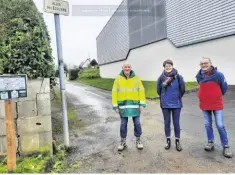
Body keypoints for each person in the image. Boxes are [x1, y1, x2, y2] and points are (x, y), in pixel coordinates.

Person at [196, 57, 233, 158]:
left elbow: (224, 87)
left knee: (220, 125)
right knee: (208, 124)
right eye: (201, 63)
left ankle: (225, 146)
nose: (203, 65)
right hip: (204, 104)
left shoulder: (218, 75)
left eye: (205, 63)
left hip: (217, 104)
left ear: (210, 63)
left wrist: (216, 96)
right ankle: (210, 142)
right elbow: (201, 87)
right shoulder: (199, 76)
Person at [112, 62, 146, 151]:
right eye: (125, 67)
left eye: (128, 67)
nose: (127, 68)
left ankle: (138, 140)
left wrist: (142, 104)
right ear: (122, 68)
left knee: (137, 123)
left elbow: (141, 90)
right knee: (123, 124)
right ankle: (123, 141)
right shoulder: (118, 79)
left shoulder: (136, 78)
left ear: (131, 68)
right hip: (123, 106)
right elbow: (114, 92)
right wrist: (115, 106)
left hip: (135, 105)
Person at [157, 59, 185, 151]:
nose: (168, 67)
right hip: (165, 104)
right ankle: (168, 140)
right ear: (164, 67)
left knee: (176, 123)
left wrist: (177, 96)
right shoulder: (160, 78)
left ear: (172, 66)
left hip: (176, 104)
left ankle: (177, 141)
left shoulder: (178, 77)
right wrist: (164, 97)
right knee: (167, 122)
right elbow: (158, 90)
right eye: (166, 66)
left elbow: (182, 89)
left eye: (169, 65)